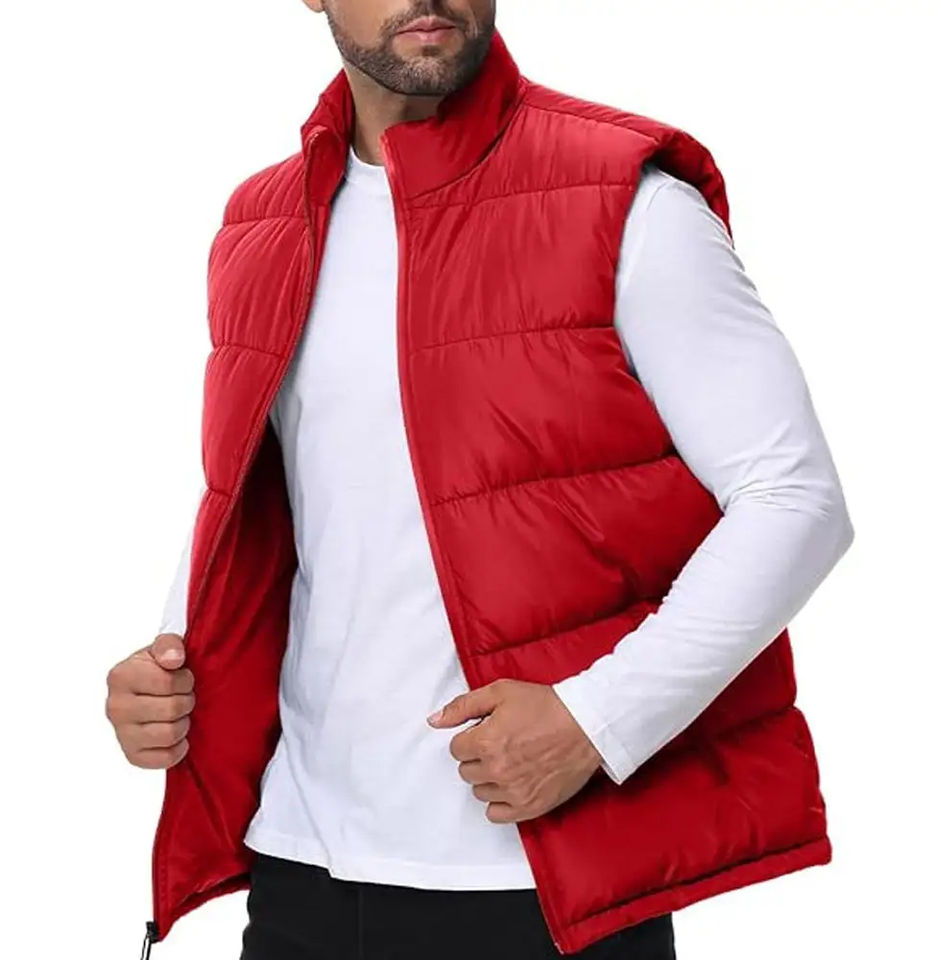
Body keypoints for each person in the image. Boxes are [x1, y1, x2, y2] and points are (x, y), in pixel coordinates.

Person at [104, 3, 855, 958]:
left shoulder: (626, 197)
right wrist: (174, 665)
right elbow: (267, 490)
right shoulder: (264, 220)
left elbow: (794, 499)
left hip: (539, 880)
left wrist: (597, 721)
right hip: (302, 865)